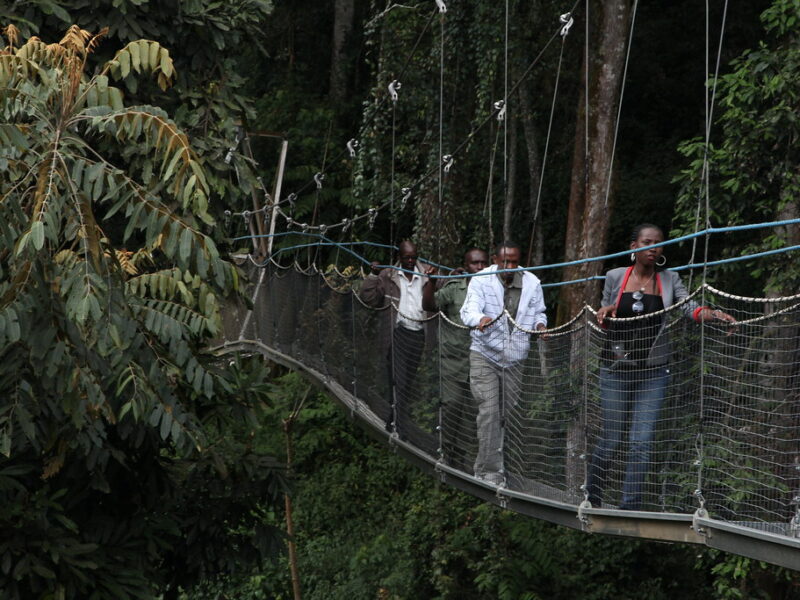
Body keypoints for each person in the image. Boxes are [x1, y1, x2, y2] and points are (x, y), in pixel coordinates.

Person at [586, 223, 736, 510]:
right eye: (647, 242)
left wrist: (715, 314)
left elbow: (688, 307)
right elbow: (604, 316)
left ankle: (630, 507)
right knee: (612, 438)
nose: (653, 248)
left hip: (653, 371)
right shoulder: (615, 276)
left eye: (658, 243)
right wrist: (604, 313)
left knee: (641, 442)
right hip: (616, 368)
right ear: (634, 247)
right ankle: (592, 497)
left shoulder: (669, 279)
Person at [460, 241, 547, 485]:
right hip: (484, 354)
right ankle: (489, 473)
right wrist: (480, 318)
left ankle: (492, 464)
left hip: (515, 358)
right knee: (489, 411)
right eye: (504, 262)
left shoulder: (532, 283)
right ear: (495, 261)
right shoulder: (480, 280)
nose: (509, 266)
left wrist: (540, 326)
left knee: (503, 415)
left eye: (514, 262)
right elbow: (468, 311)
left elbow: (539, 312)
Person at [422, 248, 490, 471]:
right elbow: (430, 306)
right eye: (474, 263)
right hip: (453, 360)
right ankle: (446, 451)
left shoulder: (492, 289)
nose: (479, 268)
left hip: (480, 360)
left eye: (482, 263)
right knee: (451, 405)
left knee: (472, 411)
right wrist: (431, 282)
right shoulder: (454, 287)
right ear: (466, 264)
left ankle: (461, 456)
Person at [360, 240, 433, 437]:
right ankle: (401, 428)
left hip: (418, 334)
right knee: (398, 380)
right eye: (406, 257)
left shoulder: (427, 273)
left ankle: (393, 418)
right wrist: (373, 275)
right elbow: (369, 299)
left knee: (407, 380)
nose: (410, 261)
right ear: (399, 257)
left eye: (413, 257)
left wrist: (452, 275)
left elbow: (441, 291)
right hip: (397, 333)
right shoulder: (388, 275)